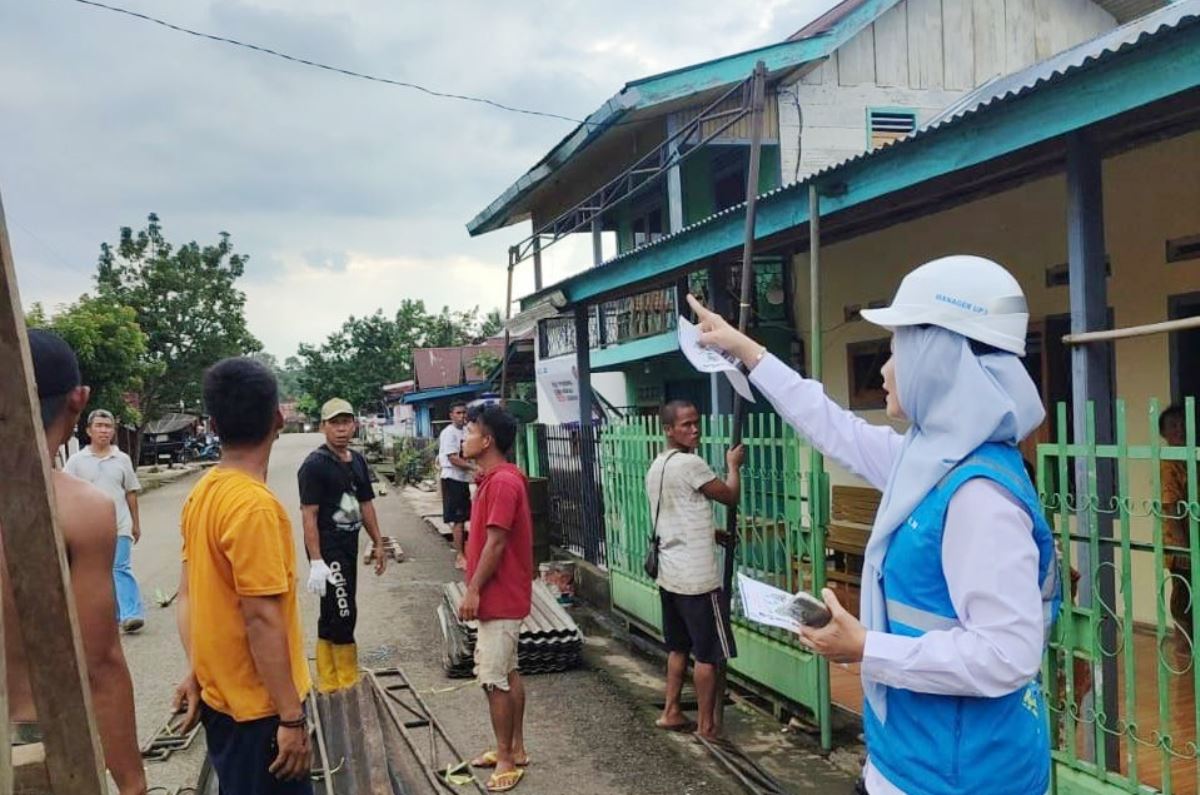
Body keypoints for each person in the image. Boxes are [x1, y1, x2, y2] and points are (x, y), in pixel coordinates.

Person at [688, 254, 1061, 795]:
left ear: (937, 358)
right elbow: (831, 425)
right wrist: (743, 349)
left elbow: (1007, 654)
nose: (884, 370)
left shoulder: (979, 495)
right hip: (908, 758)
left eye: (895, 349)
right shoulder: (931, 460)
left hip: (962, 778)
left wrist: (864, 646)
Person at [4, 330, 145, 792]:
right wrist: (132, 783)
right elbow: (99, 662)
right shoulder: (79, 509)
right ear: (79, 401)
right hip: (40, 744)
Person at [173, 358, 312, 794]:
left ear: (213, 424)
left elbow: (188, 597)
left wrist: (198, 669)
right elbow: (262, 620)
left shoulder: (205, 493)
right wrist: (290, 717)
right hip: (261, 715)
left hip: (223, 704)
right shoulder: (253, 507)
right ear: (278, 418)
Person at [646, 400, 743, 739]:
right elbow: (729, 496)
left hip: (670, 574)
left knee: (677, 648)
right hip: (697, 580)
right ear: (669, 430)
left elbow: (677, 513)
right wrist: (734, 466)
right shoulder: (690, 463)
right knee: (708, 655)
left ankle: (671, 711)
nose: (694, 429)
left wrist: (710, 532)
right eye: (686, 425)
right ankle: (706, 726)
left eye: (696, 423)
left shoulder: (658, 465)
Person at [457, 405, 533, 793]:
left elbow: (496, 541)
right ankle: (515, 748)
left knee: (493, 679)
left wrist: (473, 589)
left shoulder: (503, 483)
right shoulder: (495, 478)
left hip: (499, 596)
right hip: (503, 595)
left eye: (470, 430)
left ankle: (506, 758)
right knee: (509, 671)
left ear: (487, 440)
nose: (463, 436)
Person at [299, 397, 387, 693]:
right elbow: (308, 515)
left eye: (346, 422)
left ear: (354, 424)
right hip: (328, 549)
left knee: (332, 612)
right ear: (323, 427)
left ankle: (327, 679)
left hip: (349, 544)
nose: (341, 429)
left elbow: (366, 504)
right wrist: (315, 561)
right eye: (334, 423)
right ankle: (345, 679)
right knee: (344, 609)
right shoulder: (314, 465)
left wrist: (378, 543)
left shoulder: (358, 460)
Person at [65, 408, 146, 633]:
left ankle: (132, 614)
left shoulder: (122, 459)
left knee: (120, 568)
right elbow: (66, 493)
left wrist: (135, 523)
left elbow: (130, 492)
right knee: (99, 573)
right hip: (89, 528)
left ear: (113, 431)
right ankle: (114, 615)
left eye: (108, 426)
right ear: (89, 430)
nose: (104, 430)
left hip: (119, 524)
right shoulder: (76, 461)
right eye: (99, 426)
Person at [1159, 404, 1194, 646]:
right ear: (1164, 434)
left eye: (1182, 424)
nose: (1179, 430)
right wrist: (1181, 545)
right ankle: (1183, 649)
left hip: (1193, 540)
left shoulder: (1188, 459)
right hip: (1179, 544)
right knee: (1183, 598)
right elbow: (1170, 505)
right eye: (1173, 426)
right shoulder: (1169, 463)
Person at [440, 402, 474, 570]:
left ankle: (469, 552)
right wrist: (474, 468)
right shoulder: (449, 433)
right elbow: (453, 458)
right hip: (452, 478)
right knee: (458, 520)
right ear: (451, 415)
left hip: (463, 479)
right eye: (458, 413)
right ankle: (460, 555)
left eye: (464, 413)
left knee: (468, 517)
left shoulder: (467, 431)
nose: (462, 416)